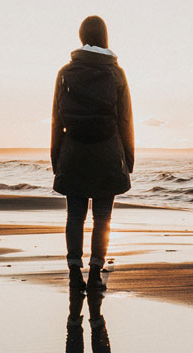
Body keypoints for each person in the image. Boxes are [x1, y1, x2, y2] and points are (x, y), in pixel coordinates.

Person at [50, 15, 135, 297]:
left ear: (81, 37)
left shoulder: (65, 72)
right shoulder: (116, 73)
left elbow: (56, 120)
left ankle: (75, 273)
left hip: (73, 153)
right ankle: (96, 273)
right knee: (103, 216)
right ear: (104, 36)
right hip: (108, 154)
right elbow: (125, 120)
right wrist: (129, 158)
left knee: (75, 215)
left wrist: (56, 158)